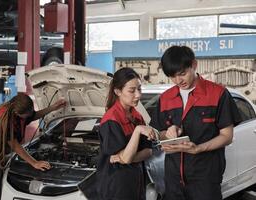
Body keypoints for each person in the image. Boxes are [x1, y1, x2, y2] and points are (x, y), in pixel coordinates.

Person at [150, 46, 241, 200]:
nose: (178, 81)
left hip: (205, 179)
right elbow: (159, 134)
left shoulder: (218, 94)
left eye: (182, 74)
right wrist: (168, 132)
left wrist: (198, 148)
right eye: (172, 76)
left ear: (194, 65)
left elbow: (227, 136)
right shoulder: (165, 98)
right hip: (173, 180)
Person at [0, 93, 66, 200]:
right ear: (17, 113)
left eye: (31, 111)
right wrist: (34, 162)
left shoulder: (19, 111)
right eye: (28, 113)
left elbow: (33, 115)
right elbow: (14, 144)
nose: (30, 114)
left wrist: (53, 107)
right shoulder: (4, 120)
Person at [96, 67, 157, 200]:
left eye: (139, 89)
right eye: (132, 91)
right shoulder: (111, 120)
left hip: (137, 185)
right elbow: (127, 157)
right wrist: (138, 131)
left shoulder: (137, 116)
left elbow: (148, 152)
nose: (138, 95)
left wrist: (127, 158)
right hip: (117, 189)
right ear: (117, 91)